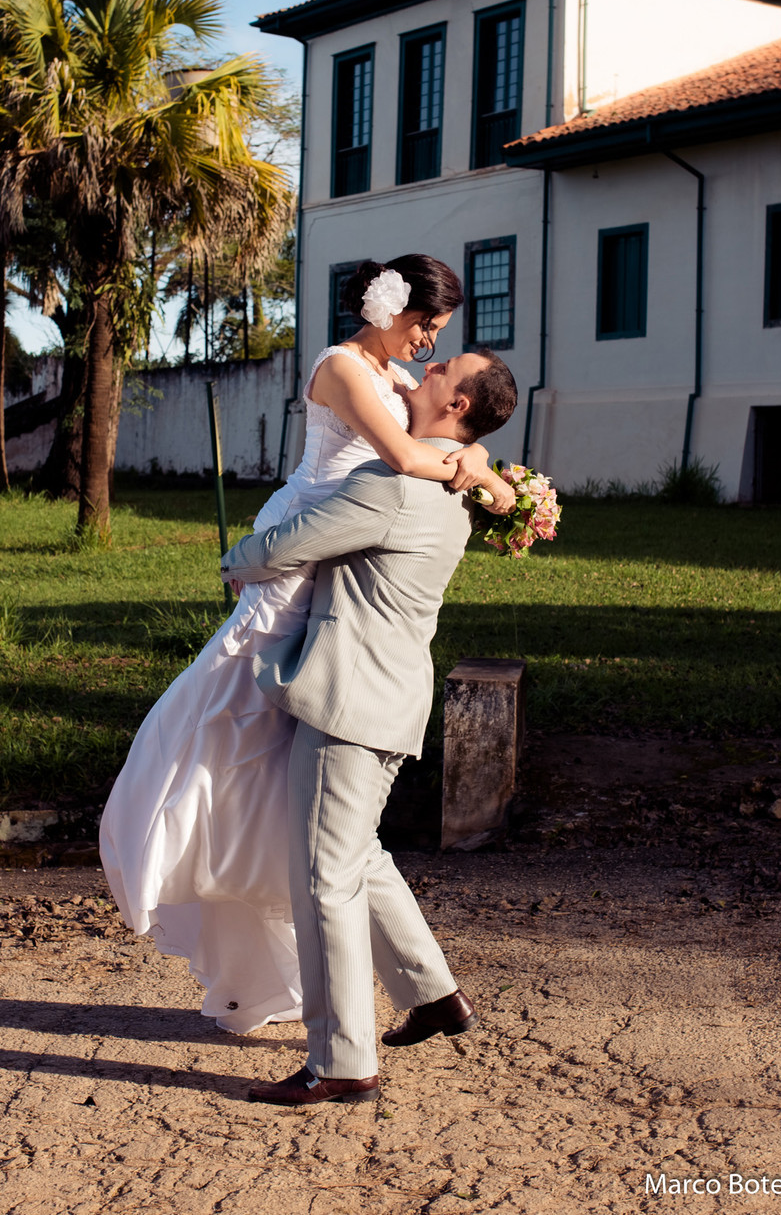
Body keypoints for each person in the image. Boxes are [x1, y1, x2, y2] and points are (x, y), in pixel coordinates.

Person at [99, 255, 515, 1034]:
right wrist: (482, 474)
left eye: (439, 336)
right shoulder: (343, 368)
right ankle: (184, 844)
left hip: (338, 573)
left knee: (328, 828)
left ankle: (412, 1000)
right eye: (427, 325)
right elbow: (406, 457)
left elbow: (443, 432)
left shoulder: (400, 381)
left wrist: (479, 457)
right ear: (391, 306)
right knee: (228, 729)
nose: (429, 344)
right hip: (296, 561)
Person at [219, 347, 519, 1106]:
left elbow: (289, 545)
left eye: (444, 368)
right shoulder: (453, 485)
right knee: (356, 855)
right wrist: (480, 465)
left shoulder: (393, 486)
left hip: (350, 703)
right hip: (390, 696)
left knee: (325, 878)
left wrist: (234, 559)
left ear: (456, 406)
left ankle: (342, 1061)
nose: (428, 366)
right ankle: (434, 995)